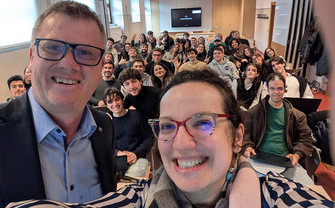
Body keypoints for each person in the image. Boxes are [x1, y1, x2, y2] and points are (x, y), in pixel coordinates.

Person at [9, 70, 334, 208]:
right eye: (166, 126)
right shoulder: (138, 198)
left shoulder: (279, 198)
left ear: (237, 136)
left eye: (202, 123)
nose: (180, 142)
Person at [0, 2, 116, 207]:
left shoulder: (103, 127)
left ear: (100, 69)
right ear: (32, 56)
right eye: (53, 48)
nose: (68, 64)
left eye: (86, 52)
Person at [243, 73, 315, 185]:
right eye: (272, 88)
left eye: (279, 88)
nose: (276, 92)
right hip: (258, 158)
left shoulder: (297, 115)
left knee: (309, 189)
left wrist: (297, 154)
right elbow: (245, 133)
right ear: (267, 89)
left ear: (285, 89)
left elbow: (305, 139)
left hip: (286, 160)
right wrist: (247, 146)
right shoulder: (254, 112)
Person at [104, 88, 154, 166]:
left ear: (122, 101)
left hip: (137, 157)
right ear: (107, 106)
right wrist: (117, 152)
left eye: (117, 99)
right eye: (110, 102)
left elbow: (149, 138)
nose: (115, 104)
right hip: (117, 158)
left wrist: (136, 154)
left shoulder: (137, 116)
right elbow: (105, 144)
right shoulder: (107, 121)